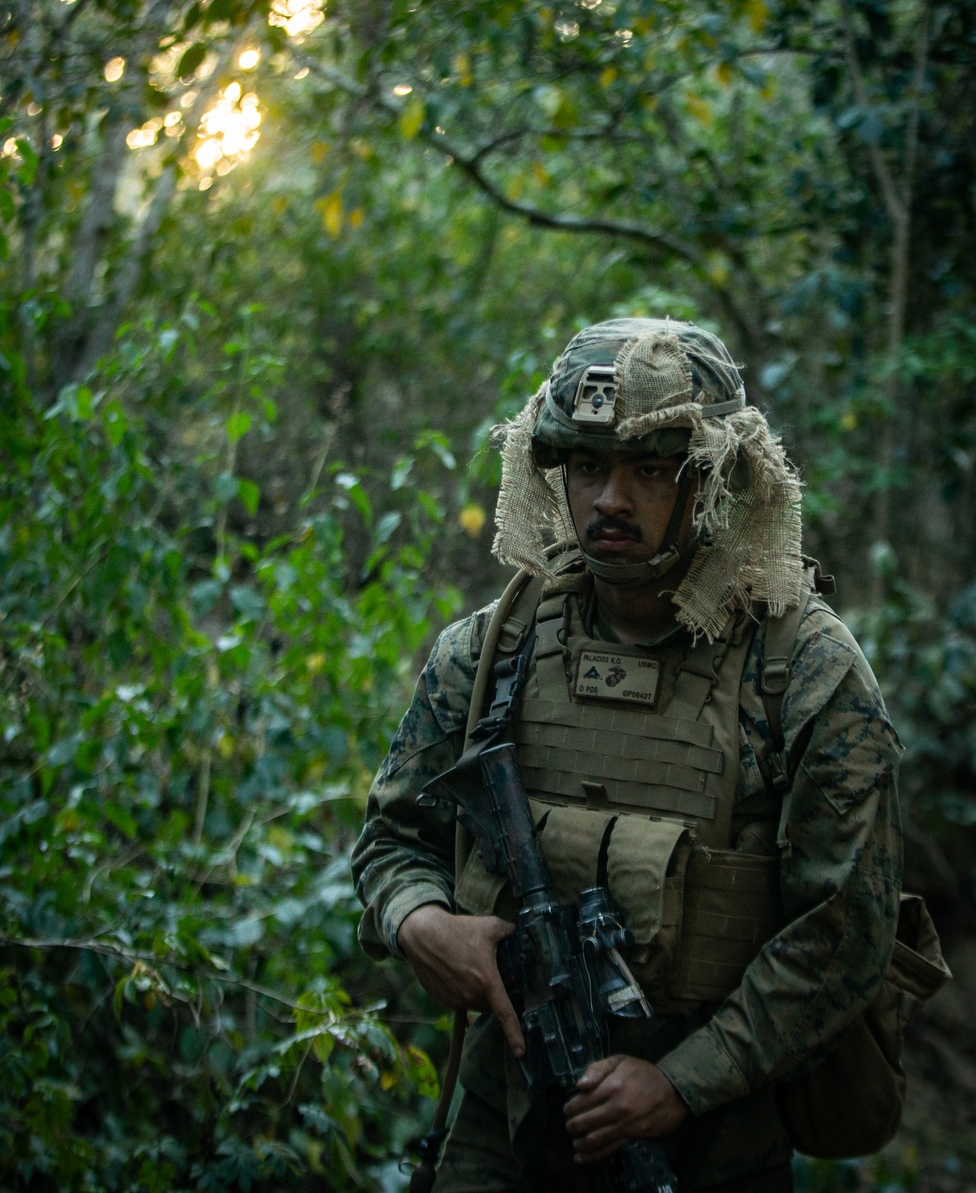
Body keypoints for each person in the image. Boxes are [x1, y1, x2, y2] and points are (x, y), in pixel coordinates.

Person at [351, 319, 903, 1192]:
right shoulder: (494, 650)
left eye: (650, 470)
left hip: (713, 1147)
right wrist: (422, 922)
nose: (610, 499)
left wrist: (681, 1083)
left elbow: (847, 936)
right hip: (506, 1130)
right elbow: (391, 841)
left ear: (714, 481)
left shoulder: (804, 674)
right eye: (585, 467)